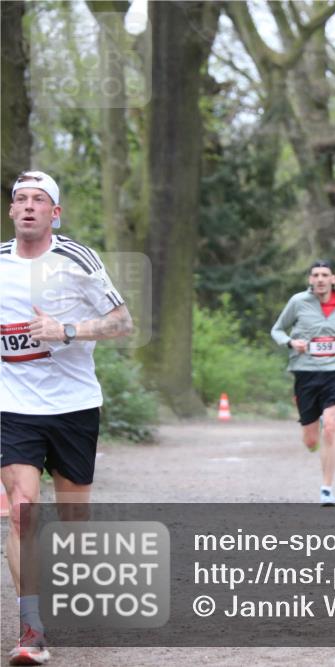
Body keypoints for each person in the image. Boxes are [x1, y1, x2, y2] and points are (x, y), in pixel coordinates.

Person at [1, 170, 134, 665]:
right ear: (12, 211)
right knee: (21, 510)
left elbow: (123, 322)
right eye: (21, 200)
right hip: (12, 407)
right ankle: (31, 631)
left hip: (73, 406)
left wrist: (68, 329)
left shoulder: (76, 260)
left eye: (40, 200)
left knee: (74, 519)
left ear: (55, 213)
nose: (29, 206)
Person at [271, 260, 335, 506]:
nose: (320, 279)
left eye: (325, 275)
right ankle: (313, 441)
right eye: (316, 275)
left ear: (333, 279)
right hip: (305, 373)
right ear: (310, 280)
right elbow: (277, 330)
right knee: (311, 439)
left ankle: (327, 488)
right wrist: (290, 342)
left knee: (331, 426)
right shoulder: (298, 302)